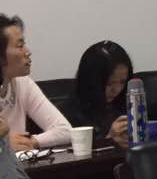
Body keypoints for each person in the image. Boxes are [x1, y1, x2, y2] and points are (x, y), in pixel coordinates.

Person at [0, 14, 71, 150]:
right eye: (20, 46)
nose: (28, 52)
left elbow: (65, 130)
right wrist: (4, 145)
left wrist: (31, 142)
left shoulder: (22, 83)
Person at [64, 41, 133, 148]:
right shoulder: (67, 116)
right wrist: (108, 140)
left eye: (122, 82)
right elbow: (69, 155)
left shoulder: (126, 102)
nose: (117, 89)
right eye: (109, 83)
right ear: (91, 80)